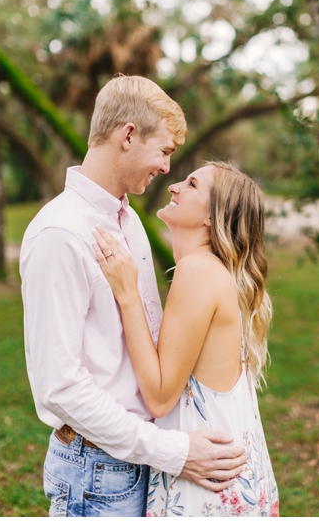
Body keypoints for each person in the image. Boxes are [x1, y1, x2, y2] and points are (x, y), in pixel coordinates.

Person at [20, 75, 246, 518]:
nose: (166, 167)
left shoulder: (130, 221)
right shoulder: (60, 235)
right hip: (96, 470)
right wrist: (172, 451)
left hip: (145, 462)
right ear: (128, 136)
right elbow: (59, 386)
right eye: (163, 151)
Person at [92, 161, 279, 516]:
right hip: (234, 478)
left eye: (191, 184)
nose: (174, 186)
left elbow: (161, 397)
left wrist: (127, 294)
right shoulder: (213, 269)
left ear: (212, 215)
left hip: (207, 487)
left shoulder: (198, 270)